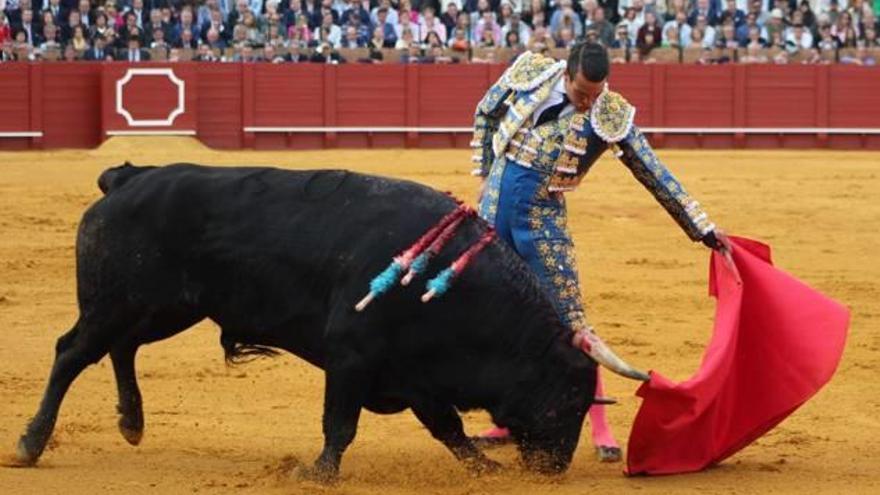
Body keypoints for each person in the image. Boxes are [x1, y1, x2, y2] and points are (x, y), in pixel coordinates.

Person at [469, 42, 733, 462]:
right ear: (566, 74)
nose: (589, 102)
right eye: (580, 94)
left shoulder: (609, 113)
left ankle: (601, 426)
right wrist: (484, 172)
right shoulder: (531, 73)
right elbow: (485, 111)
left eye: (596, 93)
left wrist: (701, 228)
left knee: (571, 323)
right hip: (494, 207)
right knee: (501, 319)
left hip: (541, 220)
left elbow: (654, 172)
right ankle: (506, 418)